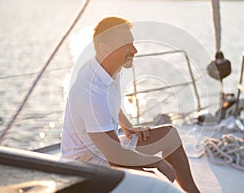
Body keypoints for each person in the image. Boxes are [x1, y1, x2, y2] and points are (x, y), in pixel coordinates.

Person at [61, 16, 200, 193]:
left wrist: (127, 126)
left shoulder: (108, 68)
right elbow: (115, 155)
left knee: (170, 136)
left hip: (104, 151)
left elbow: (110, 104)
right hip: (85, 166)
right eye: (126, 44)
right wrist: (157, 162)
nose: (134, 50)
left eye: (132, 43)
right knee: (153, 183)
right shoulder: (91, 91)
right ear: (105, 49)